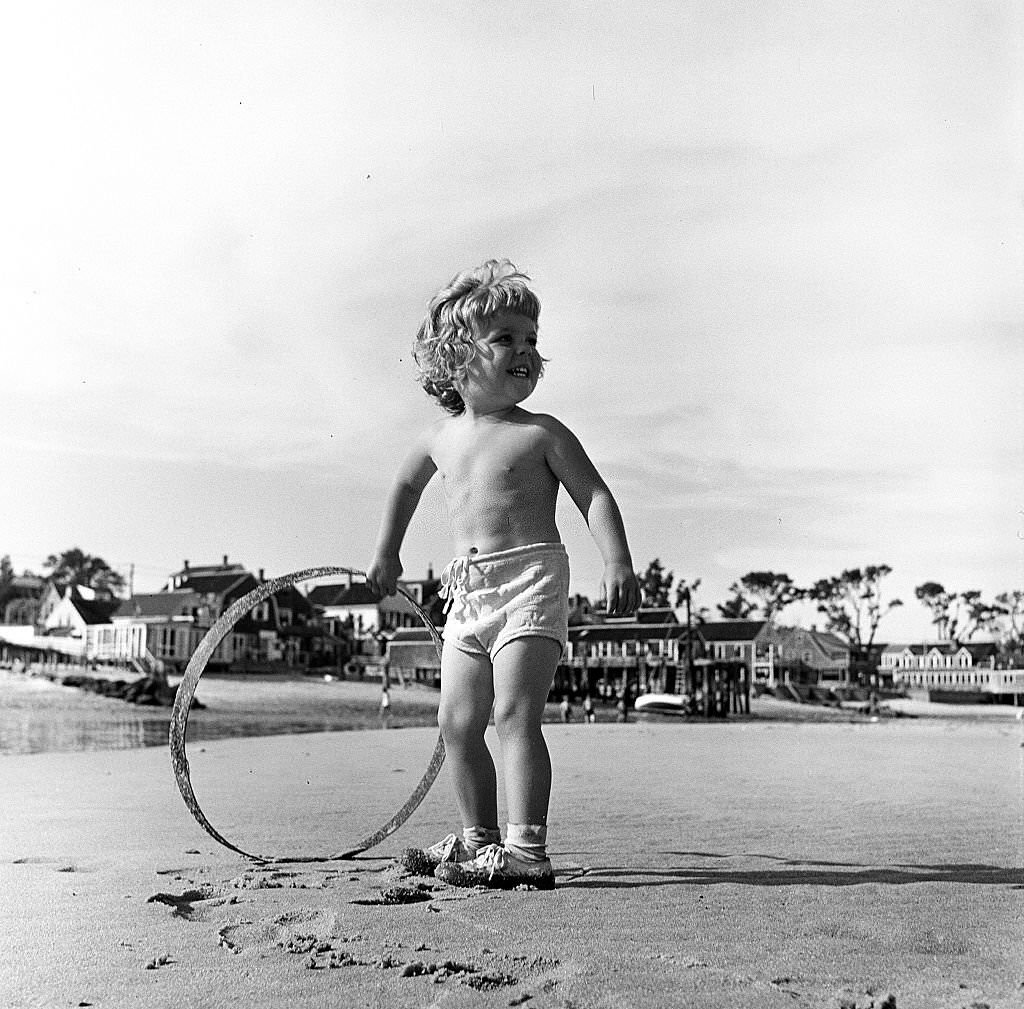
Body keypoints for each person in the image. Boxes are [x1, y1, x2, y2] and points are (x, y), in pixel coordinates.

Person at [365, 259, 640, 890]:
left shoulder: (542, 432)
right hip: (468, 588)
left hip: (532, 580)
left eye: (531, 341)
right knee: (456, 723)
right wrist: (387, 554)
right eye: (506, 339)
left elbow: (592, 494)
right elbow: (405, 489)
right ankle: (476, 839)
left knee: (515, 715)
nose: (525, 351)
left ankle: (526, 850)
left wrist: (617, 558)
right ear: (456, 357)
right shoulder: (439, 438)